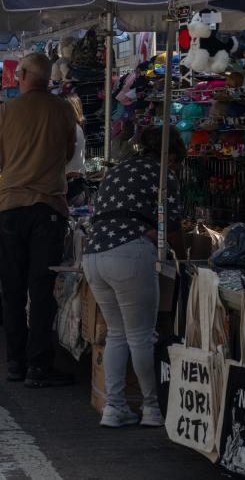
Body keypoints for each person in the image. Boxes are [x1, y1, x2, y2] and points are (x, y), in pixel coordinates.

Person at [0, 52, 77, 387]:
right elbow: (67, 153)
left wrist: (12, 163)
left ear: (22, 75)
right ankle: (39, 365)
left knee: (13, 289)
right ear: (47, 78)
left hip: (10, 205)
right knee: (42, 290)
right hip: (49, 206)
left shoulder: (4, 112)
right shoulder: (62, 109)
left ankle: (15, 363)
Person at [83, 125, 185, 428]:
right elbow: (174, 227)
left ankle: (114, 408)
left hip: (95, 254)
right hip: (129, 254)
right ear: (172, 155)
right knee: (141, 335)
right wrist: (186, 258)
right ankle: (152, 408)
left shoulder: (119, 170)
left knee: (117, 333)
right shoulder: (164, 173)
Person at [64, 93, 88, 206]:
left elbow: (65, 158)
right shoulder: (74, 128)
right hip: (72, 185)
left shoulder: (71, 129)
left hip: (72, 187)